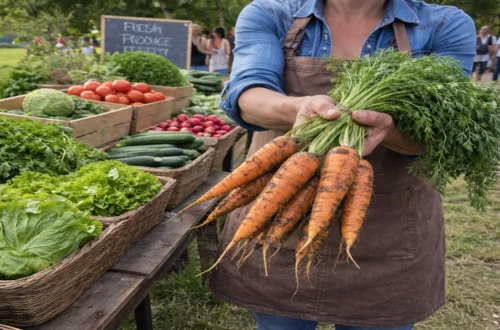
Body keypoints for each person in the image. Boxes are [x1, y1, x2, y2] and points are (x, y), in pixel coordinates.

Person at [210, 0, 476, 329]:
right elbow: (247, 94)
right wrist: (298, 108)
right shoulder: (272, 13)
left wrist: (390, 130)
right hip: (279, 219)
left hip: (388, 234)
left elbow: (442, 131)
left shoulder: (443, 24)